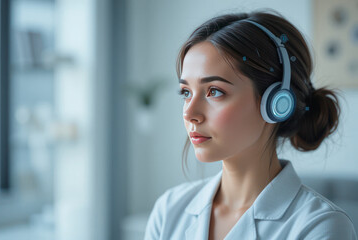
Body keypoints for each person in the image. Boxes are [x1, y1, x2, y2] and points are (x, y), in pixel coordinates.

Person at [143, 9, 357, 240]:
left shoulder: (321, 227)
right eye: (185, 92)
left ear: (276, 102)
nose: (190, 113)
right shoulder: (168, 210)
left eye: (214, 91)